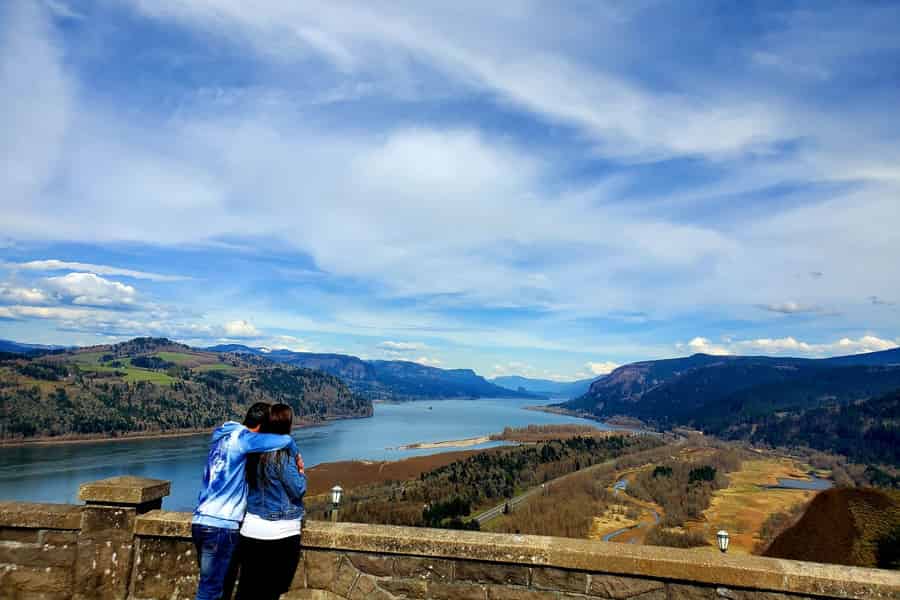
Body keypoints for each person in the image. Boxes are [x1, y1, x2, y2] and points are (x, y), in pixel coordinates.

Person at [191, 403, 300, 600]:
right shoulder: (243, 439)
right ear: (261, 426)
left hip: (200, 521)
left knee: (209, 586)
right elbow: (282, 440)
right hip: (221, 525)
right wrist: (294, 450)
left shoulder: (221, 437)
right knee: (213, 591)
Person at [235, 403, 307, 600]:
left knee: (247, 591)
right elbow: (298, 489)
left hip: (250, 529)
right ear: (287, 425)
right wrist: (301, 470)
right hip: (281, 533)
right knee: (271, 592)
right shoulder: (283, 456)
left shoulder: (252, 452)